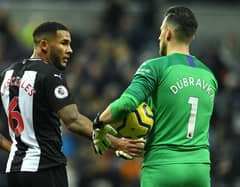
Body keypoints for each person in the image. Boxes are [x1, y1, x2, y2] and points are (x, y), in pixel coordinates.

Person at [0, 21, 145, 187]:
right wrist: (117, 143)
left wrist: (10, 148)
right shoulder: (49, 75)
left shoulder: (8, 74)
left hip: (15, 170)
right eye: (64, 43)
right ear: (44, 45)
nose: (70, 50)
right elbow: (73, 120)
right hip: (45, 169)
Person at [92, 6, 218, 187]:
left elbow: (125, 104)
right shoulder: (209, 76)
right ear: (192, 37)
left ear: (167, 33)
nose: (158, 37)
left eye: (160, 32)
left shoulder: (155, 67)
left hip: (162, 168)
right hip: (199, 169)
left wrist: (99, 123)